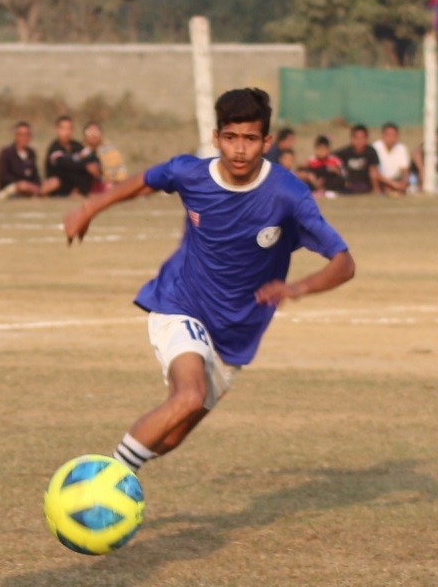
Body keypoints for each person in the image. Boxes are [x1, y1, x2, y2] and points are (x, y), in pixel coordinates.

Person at [59, 85, 355, 479]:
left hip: (235, 334)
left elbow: (344, 262)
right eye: (230, 137)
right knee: (189, 395)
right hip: (180, 304)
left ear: (266, 142)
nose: (239, 149)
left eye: (250, 139)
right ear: (216, 138)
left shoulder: (287, 195)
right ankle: (100, 484)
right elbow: (148, 180)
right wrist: (90, 207)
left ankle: (117, 470)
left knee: (169, 439)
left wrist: (297, 288)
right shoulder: (192, 173)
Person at [45, 115, 95, 197]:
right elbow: (64, 163)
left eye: (69, 129)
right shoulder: (55, 148)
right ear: (57, 130)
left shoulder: (77, 145)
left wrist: (94, 165)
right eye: (63, 129)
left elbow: (91, 155)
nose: (67, 132)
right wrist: (85, 165)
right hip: (61, 187)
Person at [0, 121, 46, 197]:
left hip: (29, 186)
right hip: (13, 186)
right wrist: (19, 182)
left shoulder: (31, 153)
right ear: (15, 136)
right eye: (21, 135)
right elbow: (3, 176)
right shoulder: (6, 153)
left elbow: (35, 174)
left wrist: (36, 184)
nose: (24, 138)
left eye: (27, 135)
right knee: (23, 186)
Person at [373, 122, 414, 194]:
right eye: (388, 135)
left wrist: (403, 183)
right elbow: (375, 172)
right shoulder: (375, 148)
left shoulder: (401, 148)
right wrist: (393, 184)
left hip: (396, 181)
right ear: (383, 135)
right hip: (381, 182)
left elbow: (405, 170)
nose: (391, 138)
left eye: (394, 135)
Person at [82, 120, 126, 186]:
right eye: (90, 132)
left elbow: (122, 177)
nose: (93, 135)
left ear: (101, 134)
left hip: (110, 190)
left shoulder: (113, 152)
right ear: (84, 135)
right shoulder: (78, 151)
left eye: (96, 132)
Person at [339, 124, 379, 194]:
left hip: (365, 185)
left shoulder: (371, 152)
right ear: (352, 139)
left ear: (366, 139)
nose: (359, 141)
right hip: (349, 185)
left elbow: (374, 171)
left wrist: (376, 190)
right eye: (356, 138)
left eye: (362, 138)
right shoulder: (345, 152)